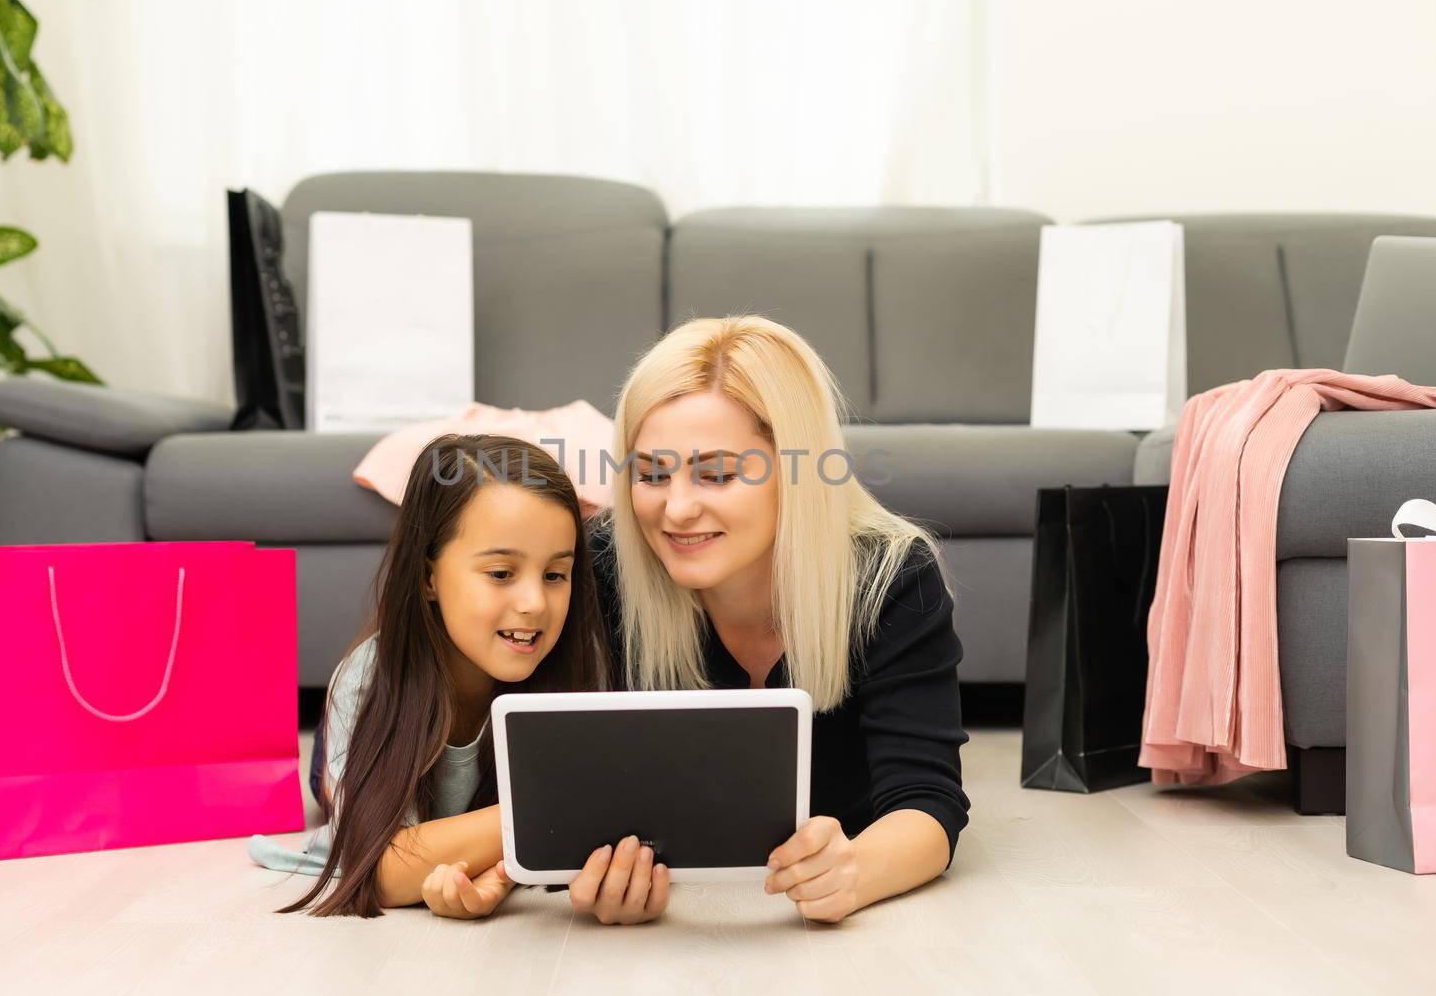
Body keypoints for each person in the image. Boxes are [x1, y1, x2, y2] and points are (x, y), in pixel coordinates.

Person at [570, 315, 971, 925]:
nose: (676, 509)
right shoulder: (606, 569)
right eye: (651, 474)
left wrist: (855, 871)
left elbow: (926, 802)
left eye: (718, 474)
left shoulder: (892, 575)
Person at [278, 434, 609, 918]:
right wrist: (557, 811)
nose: (535, 603)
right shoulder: (368, 681)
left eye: (555, 575)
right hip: (361, 740)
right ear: (428, 576)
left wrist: (497, 870)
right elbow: (380, 870)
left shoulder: (583, 664)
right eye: (500, 573)